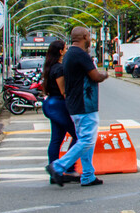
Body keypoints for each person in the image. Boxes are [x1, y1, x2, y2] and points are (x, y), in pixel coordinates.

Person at [46, 26, 109, 187]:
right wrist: (104, 74)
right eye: (89, 36)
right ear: (84, 36)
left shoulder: (68, 55)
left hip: (75, 103)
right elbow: (95, 76)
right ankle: (58, 166)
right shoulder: (81, 55)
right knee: (87, 140)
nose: (90, 39)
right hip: (85, 103)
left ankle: (88, 175)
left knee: (85, 139)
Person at [41, 40, 79, 183]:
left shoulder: (50, 67)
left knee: (56, 139)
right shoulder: (59, 69)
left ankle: (55, 173)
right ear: (61, 51)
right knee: (79, 135)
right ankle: (66, 168)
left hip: (51, 104)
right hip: (59, 105)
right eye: (65, 48)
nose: (67, 50)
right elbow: (64, 91)